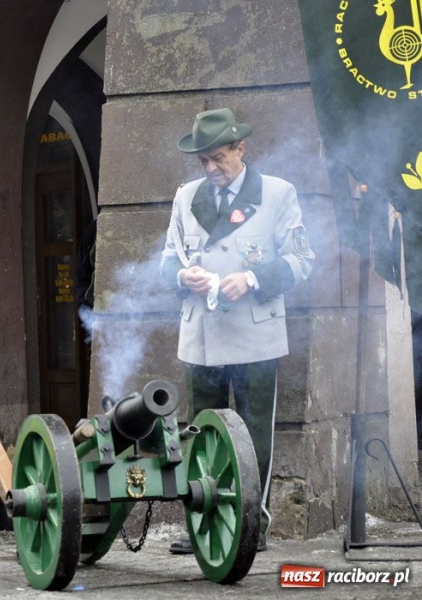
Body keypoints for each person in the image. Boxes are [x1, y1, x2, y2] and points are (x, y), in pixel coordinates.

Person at [159, 108, 314, 554]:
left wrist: (250, 279)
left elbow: (302, 260)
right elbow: (169, 256)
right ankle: (202, 524)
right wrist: (181, 276)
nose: (210, 170)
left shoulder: (278, 194)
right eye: (203, 161)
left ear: (241, 148)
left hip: (255, 335)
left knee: (252, 435)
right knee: (202, 434)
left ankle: (251, 524)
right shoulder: (186, 196)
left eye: (218, 159)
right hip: (201, 335)